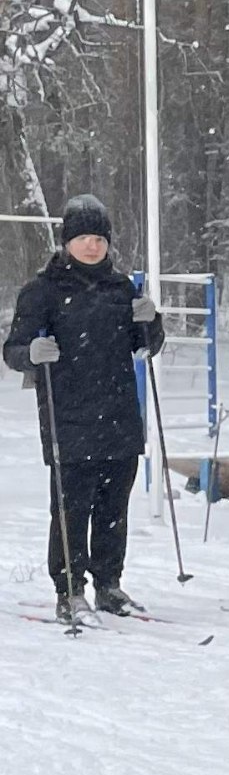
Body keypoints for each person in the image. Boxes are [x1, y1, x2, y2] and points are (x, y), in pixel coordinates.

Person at [5, 195, 164, 622]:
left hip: (118, 415)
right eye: (83, 238)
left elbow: (146, 345)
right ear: (67, 242)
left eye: (99, 239)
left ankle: (108, 585)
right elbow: (13, 349)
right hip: (68, 417)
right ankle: (70, 590)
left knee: (114, 509)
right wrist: (30, 353)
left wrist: (151, 321)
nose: (92, 246)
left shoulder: (121, 288)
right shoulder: (43, 290)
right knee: (71, 509)